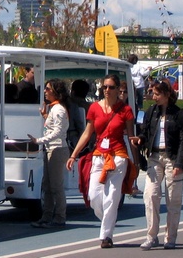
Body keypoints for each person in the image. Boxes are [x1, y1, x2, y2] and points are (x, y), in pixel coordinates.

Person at [66, 74, 137, 250]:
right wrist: (73, 155)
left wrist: (136, 162)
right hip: (99, 156)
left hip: (119, 157)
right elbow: (87, 133)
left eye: (111, 87)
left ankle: (106, 236)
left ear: (118, 89)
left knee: (112, 198)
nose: (107, 90)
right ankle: (108, 220)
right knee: (94, 196)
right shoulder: (94, 109)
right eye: (104, 87)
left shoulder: (125, 110)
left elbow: (131, 136)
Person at [133, 80, 183, 250]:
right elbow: (145, 132)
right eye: (153, 93)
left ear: (167, 95)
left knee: (173, 199)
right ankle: (151, 236)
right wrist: (140, 139)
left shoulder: (180, 114)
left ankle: (170, 237)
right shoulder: (151, 112)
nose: (154, 97)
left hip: (173, 158)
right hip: (155, 157)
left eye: (157, 94)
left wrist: (179, 163)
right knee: (150, 195)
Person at [29, 79, 70, 228]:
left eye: (48, 89)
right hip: (51, 148)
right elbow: (54, 127)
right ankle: (46, 216)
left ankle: (60, 217)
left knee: (56, 186)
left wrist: (39, 140)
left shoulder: (59, 109)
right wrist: (45, 117)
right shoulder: (54, 109)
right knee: (47, 185)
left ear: (56, 92)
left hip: (57, 149)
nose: (45, 91)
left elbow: (58, 132)